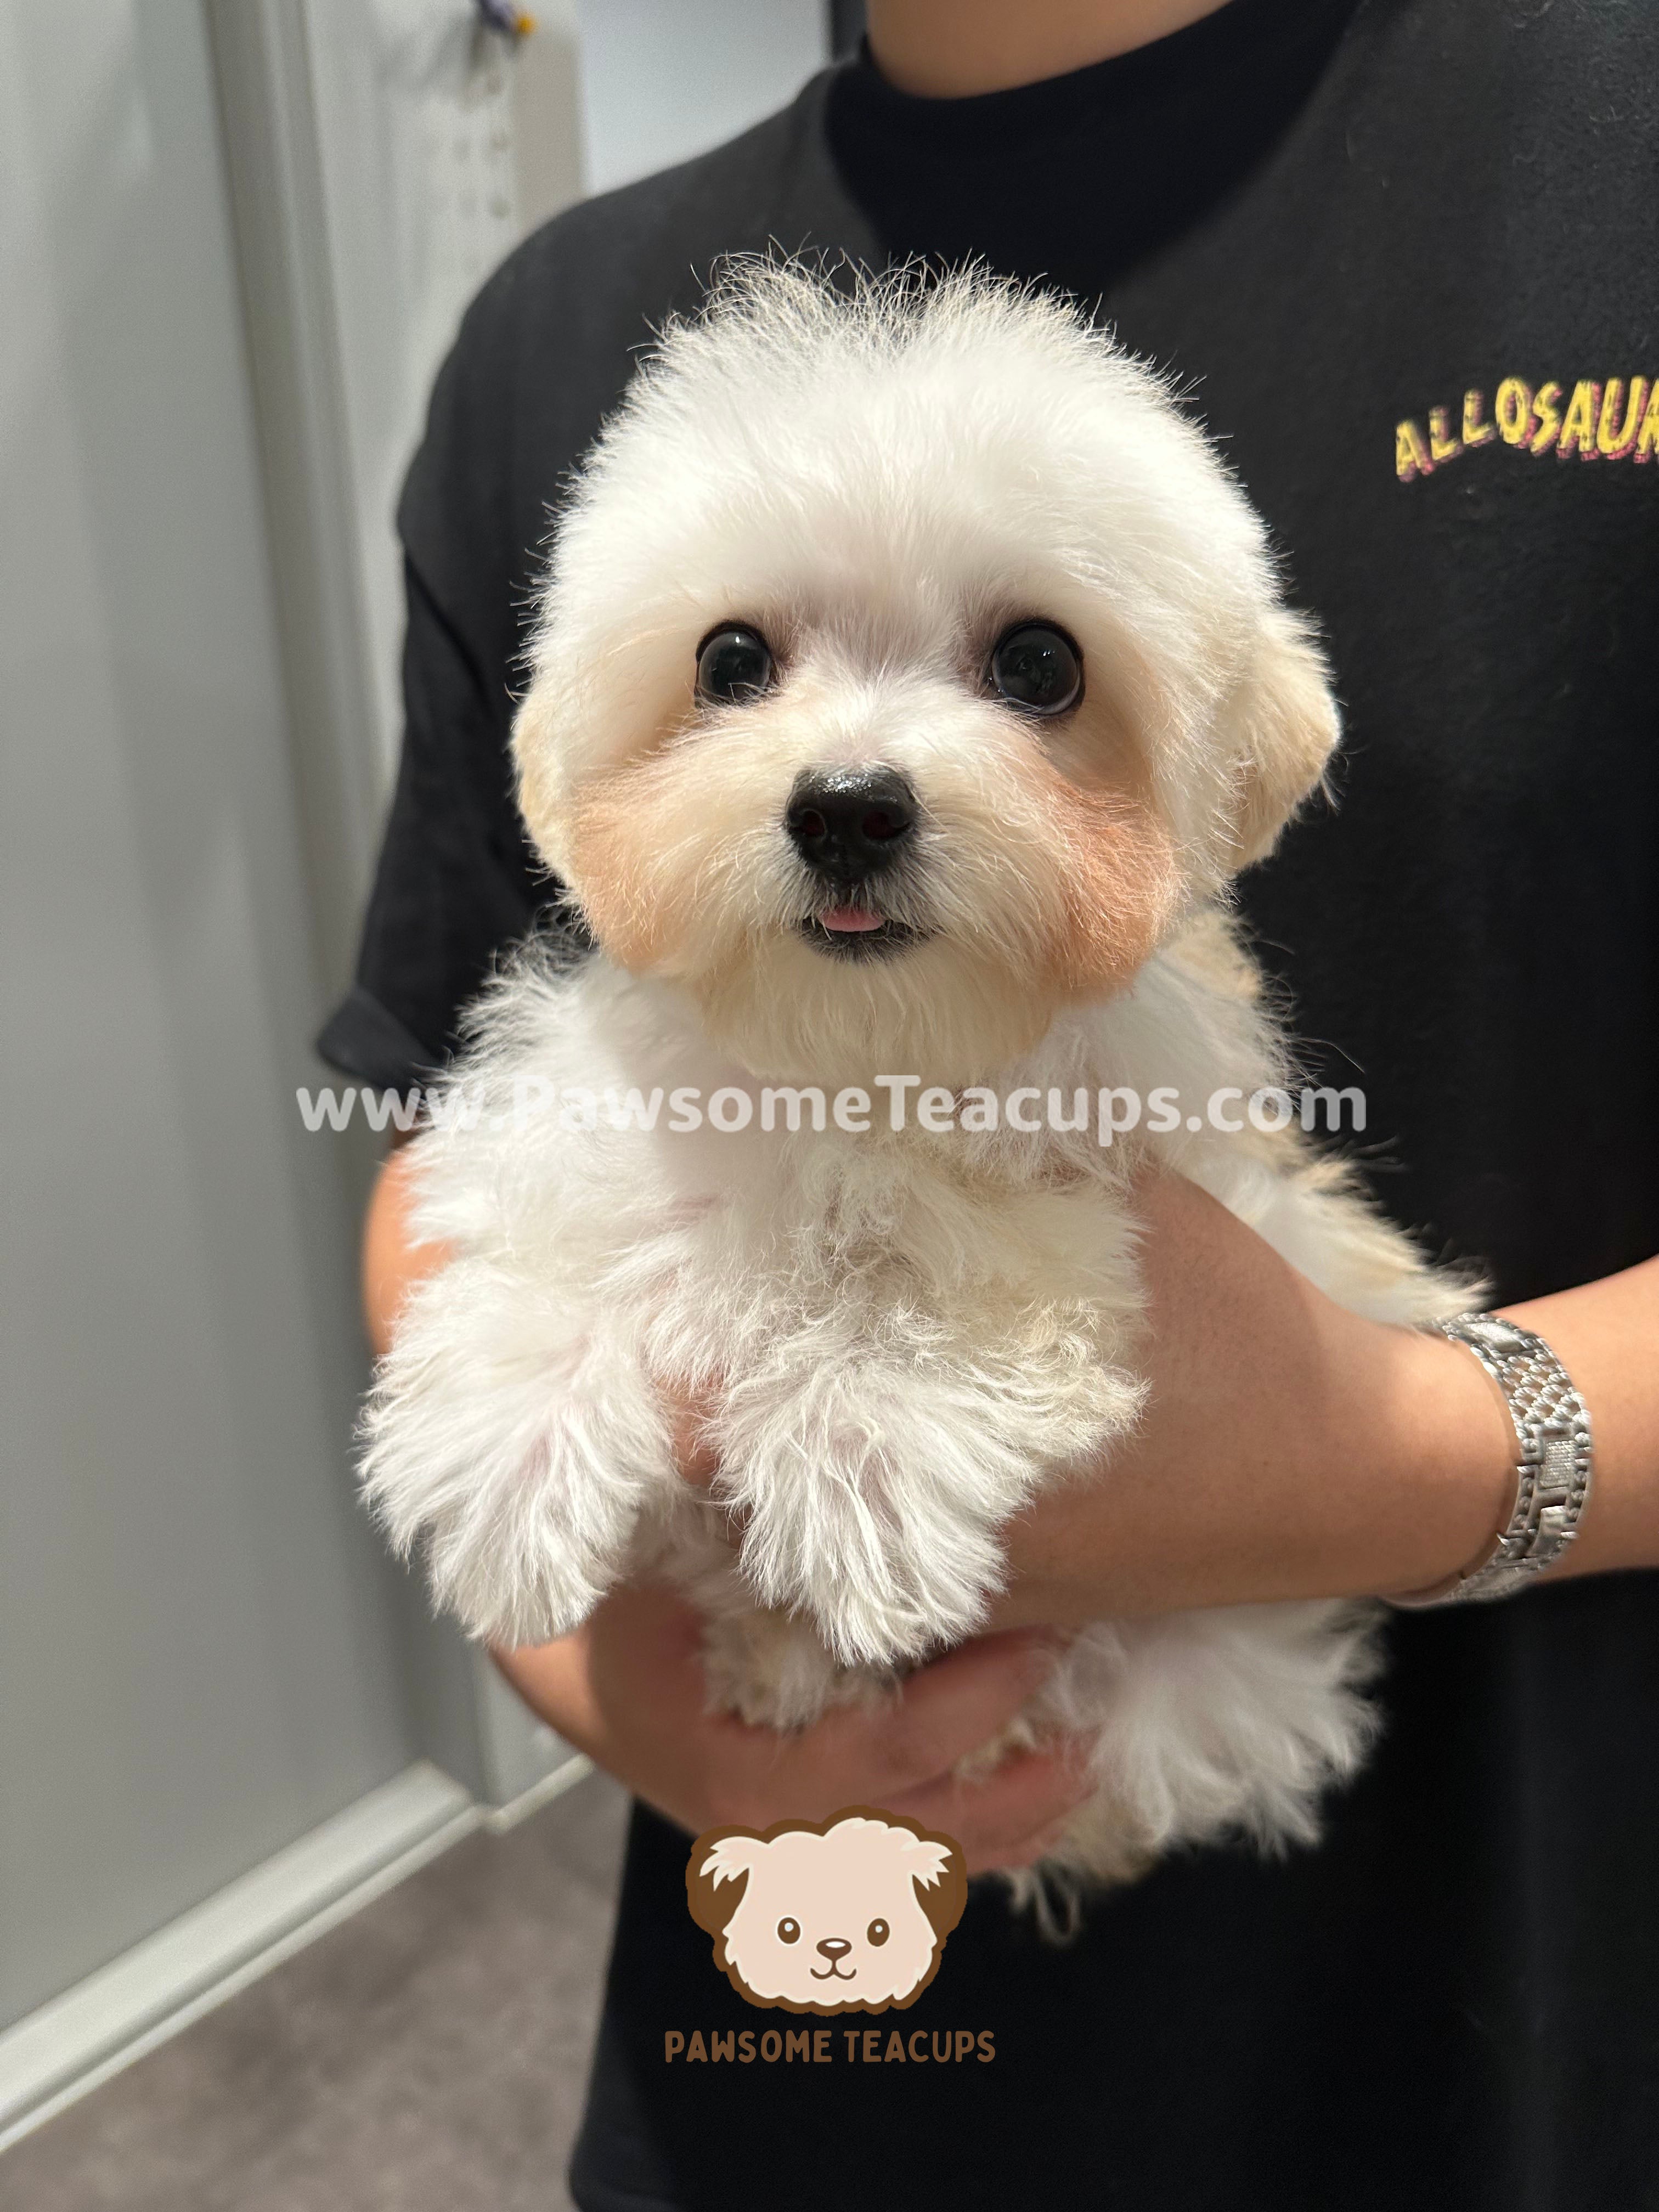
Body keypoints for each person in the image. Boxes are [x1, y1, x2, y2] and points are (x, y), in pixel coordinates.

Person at [324, 1, 1659, 2204]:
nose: (854, 774)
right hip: (779, 2065)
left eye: (1029, 672)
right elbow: (435, 1155)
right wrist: (610, 1675)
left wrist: (1411, 1450)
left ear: (1210, 750)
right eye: (738, 667)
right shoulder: (549, 338)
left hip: (1502, 2041)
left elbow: (1129, 1312)